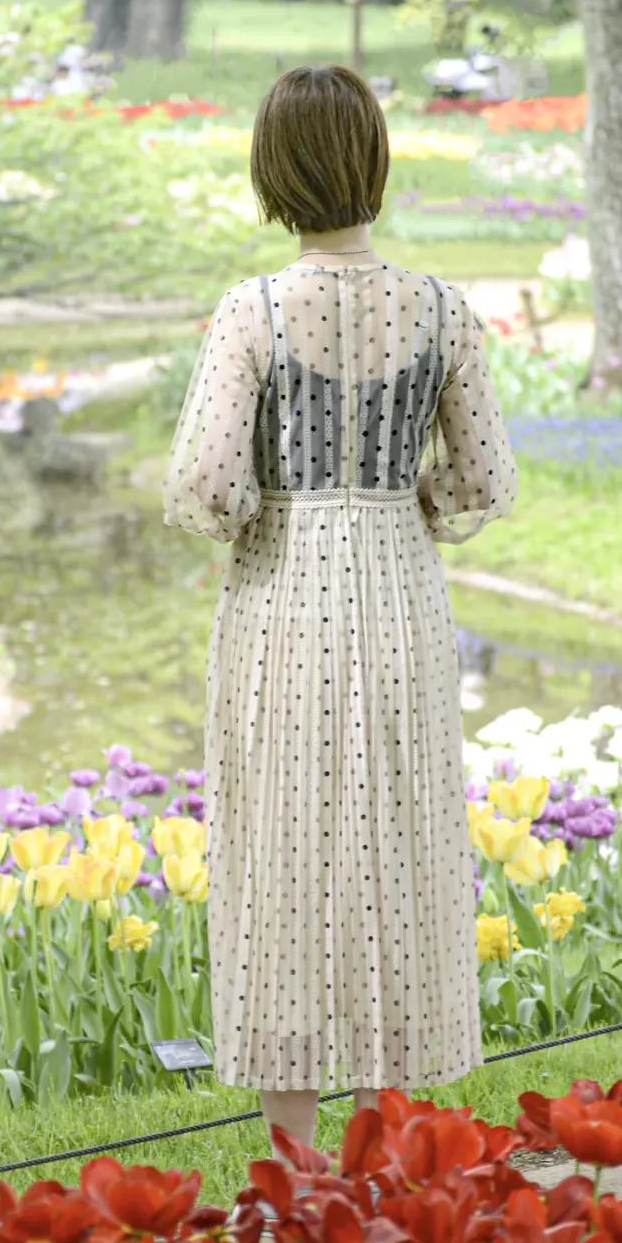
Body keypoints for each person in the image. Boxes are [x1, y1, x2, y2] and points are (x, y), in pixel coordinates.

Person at [163, 64, 517, 1150]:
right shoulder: (442, 308)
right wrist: (402, 499)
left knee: (281, 854)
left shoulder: (254, 311)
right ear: (376, 163)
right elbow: (486, 483)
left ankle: (299, 1169)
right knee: (399, 843)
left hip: (283, 596)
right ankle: (390, 1153)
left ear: (274, 172)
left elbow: (204, 488)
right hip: (401, 588)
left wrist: (275, 510)